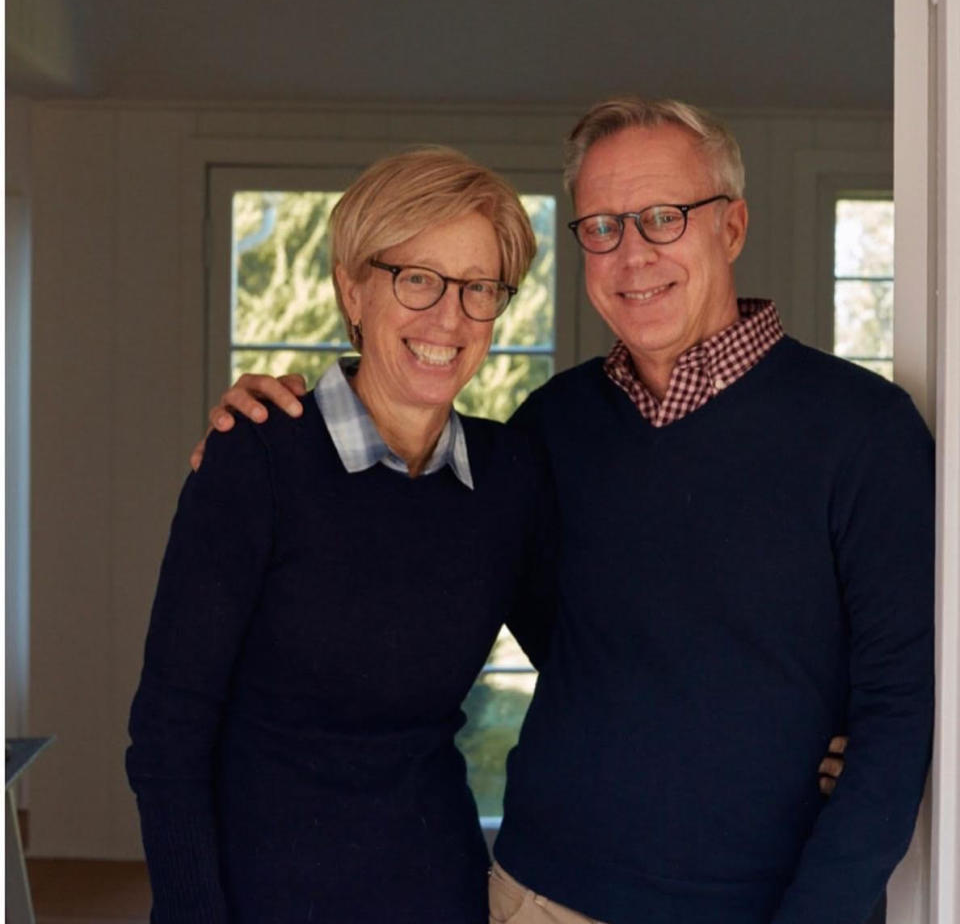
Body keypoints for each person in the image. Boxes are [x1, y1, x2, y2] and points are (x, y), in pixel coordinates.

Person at [209, 98, 932, 924]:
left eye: (664, 218)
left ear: (730, 228)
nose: (633, 255)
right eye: (602, 227)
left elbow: (900, 710)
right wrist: (265, 437)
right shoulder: (546, 432)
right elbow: (392, 518)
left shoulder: (864, 430)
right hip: (539, 896)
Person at [126, 147, 560, 923]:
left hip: (437, 888)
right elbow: (167, 734)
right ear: (351, 288)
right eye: (417, 278)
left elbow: (594, 662)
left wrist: (810, 727)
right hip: (260, 895)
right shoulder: (257, 457)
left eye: (479, 288)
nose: (449, 317)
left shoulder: (509, 477)